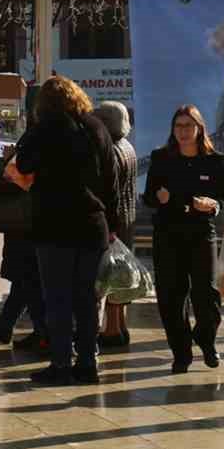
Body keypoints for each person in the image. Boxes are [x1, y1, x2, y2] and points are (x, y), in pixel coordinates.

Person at [11, 77, 117, 385]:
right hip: (91, 223)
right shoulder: (96, 128)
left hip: (54, 225)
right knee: (86, 299)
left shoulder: (42, 130)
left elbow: (23, 164)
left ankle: (60, 364)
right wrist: (110, 223)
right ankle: (88, 363)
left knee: (57, 299)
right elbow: (110, 179)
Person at [143, 105, 224, 374]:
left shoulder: (214, 160)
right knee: (171, 296)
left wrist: (212, 205)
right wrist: (159, 198)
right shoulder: (161, 158)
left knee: (207, 294)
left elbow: (223, 198)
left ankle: (206, 338)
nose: (182, 131)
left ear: (199, 128)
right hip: (168, 234)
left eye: (188, 126)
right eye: (178, 126)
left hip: (201, 233)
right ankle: (181, 352)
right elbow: (148, 197)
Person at [0, 147, 48, 351]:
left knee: (28, 280)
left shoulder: (34, 150)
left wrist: (10, 159)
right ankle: (5, 326)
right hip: (32, 224)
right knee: (24, 280)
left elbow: (13, 181)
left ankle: (43, 332)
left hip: (26, 226)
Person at [94, 101, 139, 350]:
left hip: (113, 223)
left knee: (109, 277)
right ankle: (120, 326)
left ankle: (111, 331)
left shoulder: (108, 149)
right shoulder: (128, 147)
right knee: (120, 277)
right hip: (127, 220)